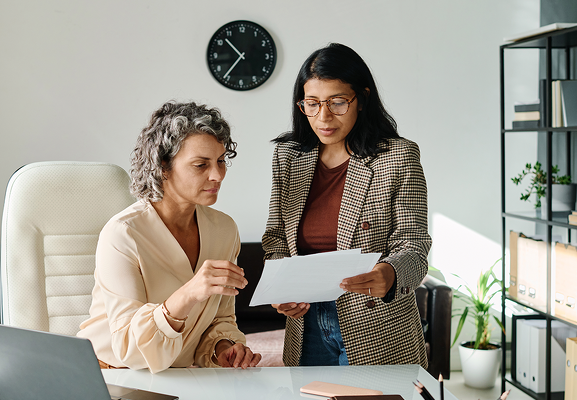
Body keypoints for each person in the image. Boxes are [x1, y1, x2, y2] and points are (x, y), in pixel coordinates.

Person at [263, 43, 431, 367]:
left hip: (378, 326)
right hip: (307, 325)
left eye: (337, 102)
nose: (323, 117)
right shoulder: (289, 157)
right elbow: (276, 240)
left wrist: (390, 273)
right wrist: (281, 288)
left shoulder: (397, 156)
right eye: (312, 104)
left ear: (362, 99)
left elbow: (414, 243)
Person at [77, 101, 262, 373]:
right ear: (163, 166)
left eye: (221, 161)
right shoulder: (123, 234)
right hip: (107, 374)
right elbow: (129, 349)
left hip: (174, 377)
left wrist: (223, 346)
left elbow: (220, 319)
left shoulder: (224, 230)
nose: (217, 175)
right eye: (201, 165)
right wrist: (188, 293)